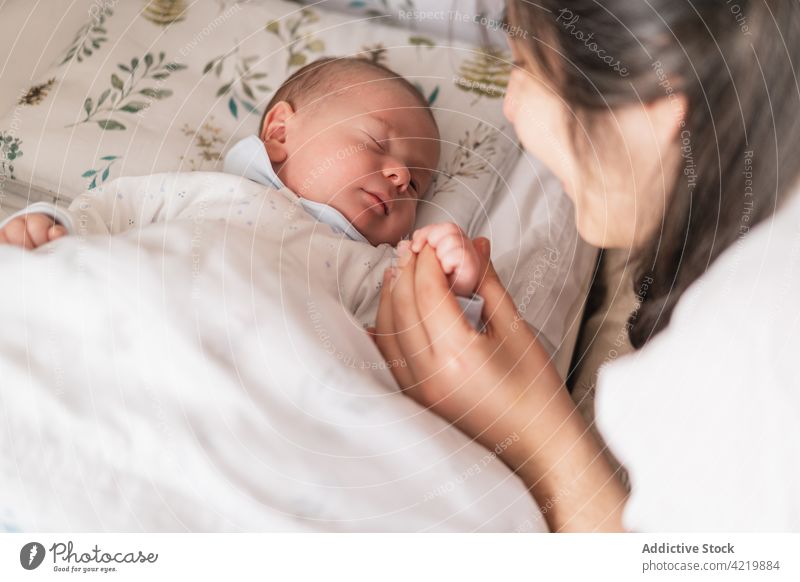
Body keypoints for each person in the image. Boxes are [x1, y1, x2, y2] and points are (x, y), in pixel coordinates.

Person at [372, 0, 800, 531]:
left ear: (655, 105)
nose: (509, 106)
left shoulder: (742, 364)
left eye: (524, 66)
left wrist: (537, 440)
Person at [0, 57, 483, 327]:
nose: (400, 176)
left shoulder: (375, 269)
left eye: (417, 183)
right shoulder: (206, 190)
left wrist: (454, 288)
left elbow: (415, 348)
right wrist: (51, 226)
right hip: (131, 312)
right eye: (377, 143)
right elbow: (108, 210)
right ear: (279, 133)